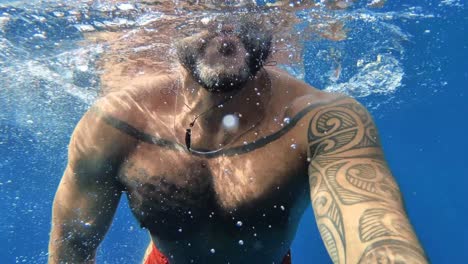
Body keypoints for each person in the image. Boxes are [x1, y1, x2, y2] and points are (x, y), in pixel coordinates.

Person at [48, 17, 428, 264]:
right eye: (201, 5)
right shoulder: (118, 121)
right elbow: (73, 246)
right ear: (171, 21)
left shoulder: (322, 120)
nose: (223, 22)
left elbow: (377, 232)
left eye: (246, 5)